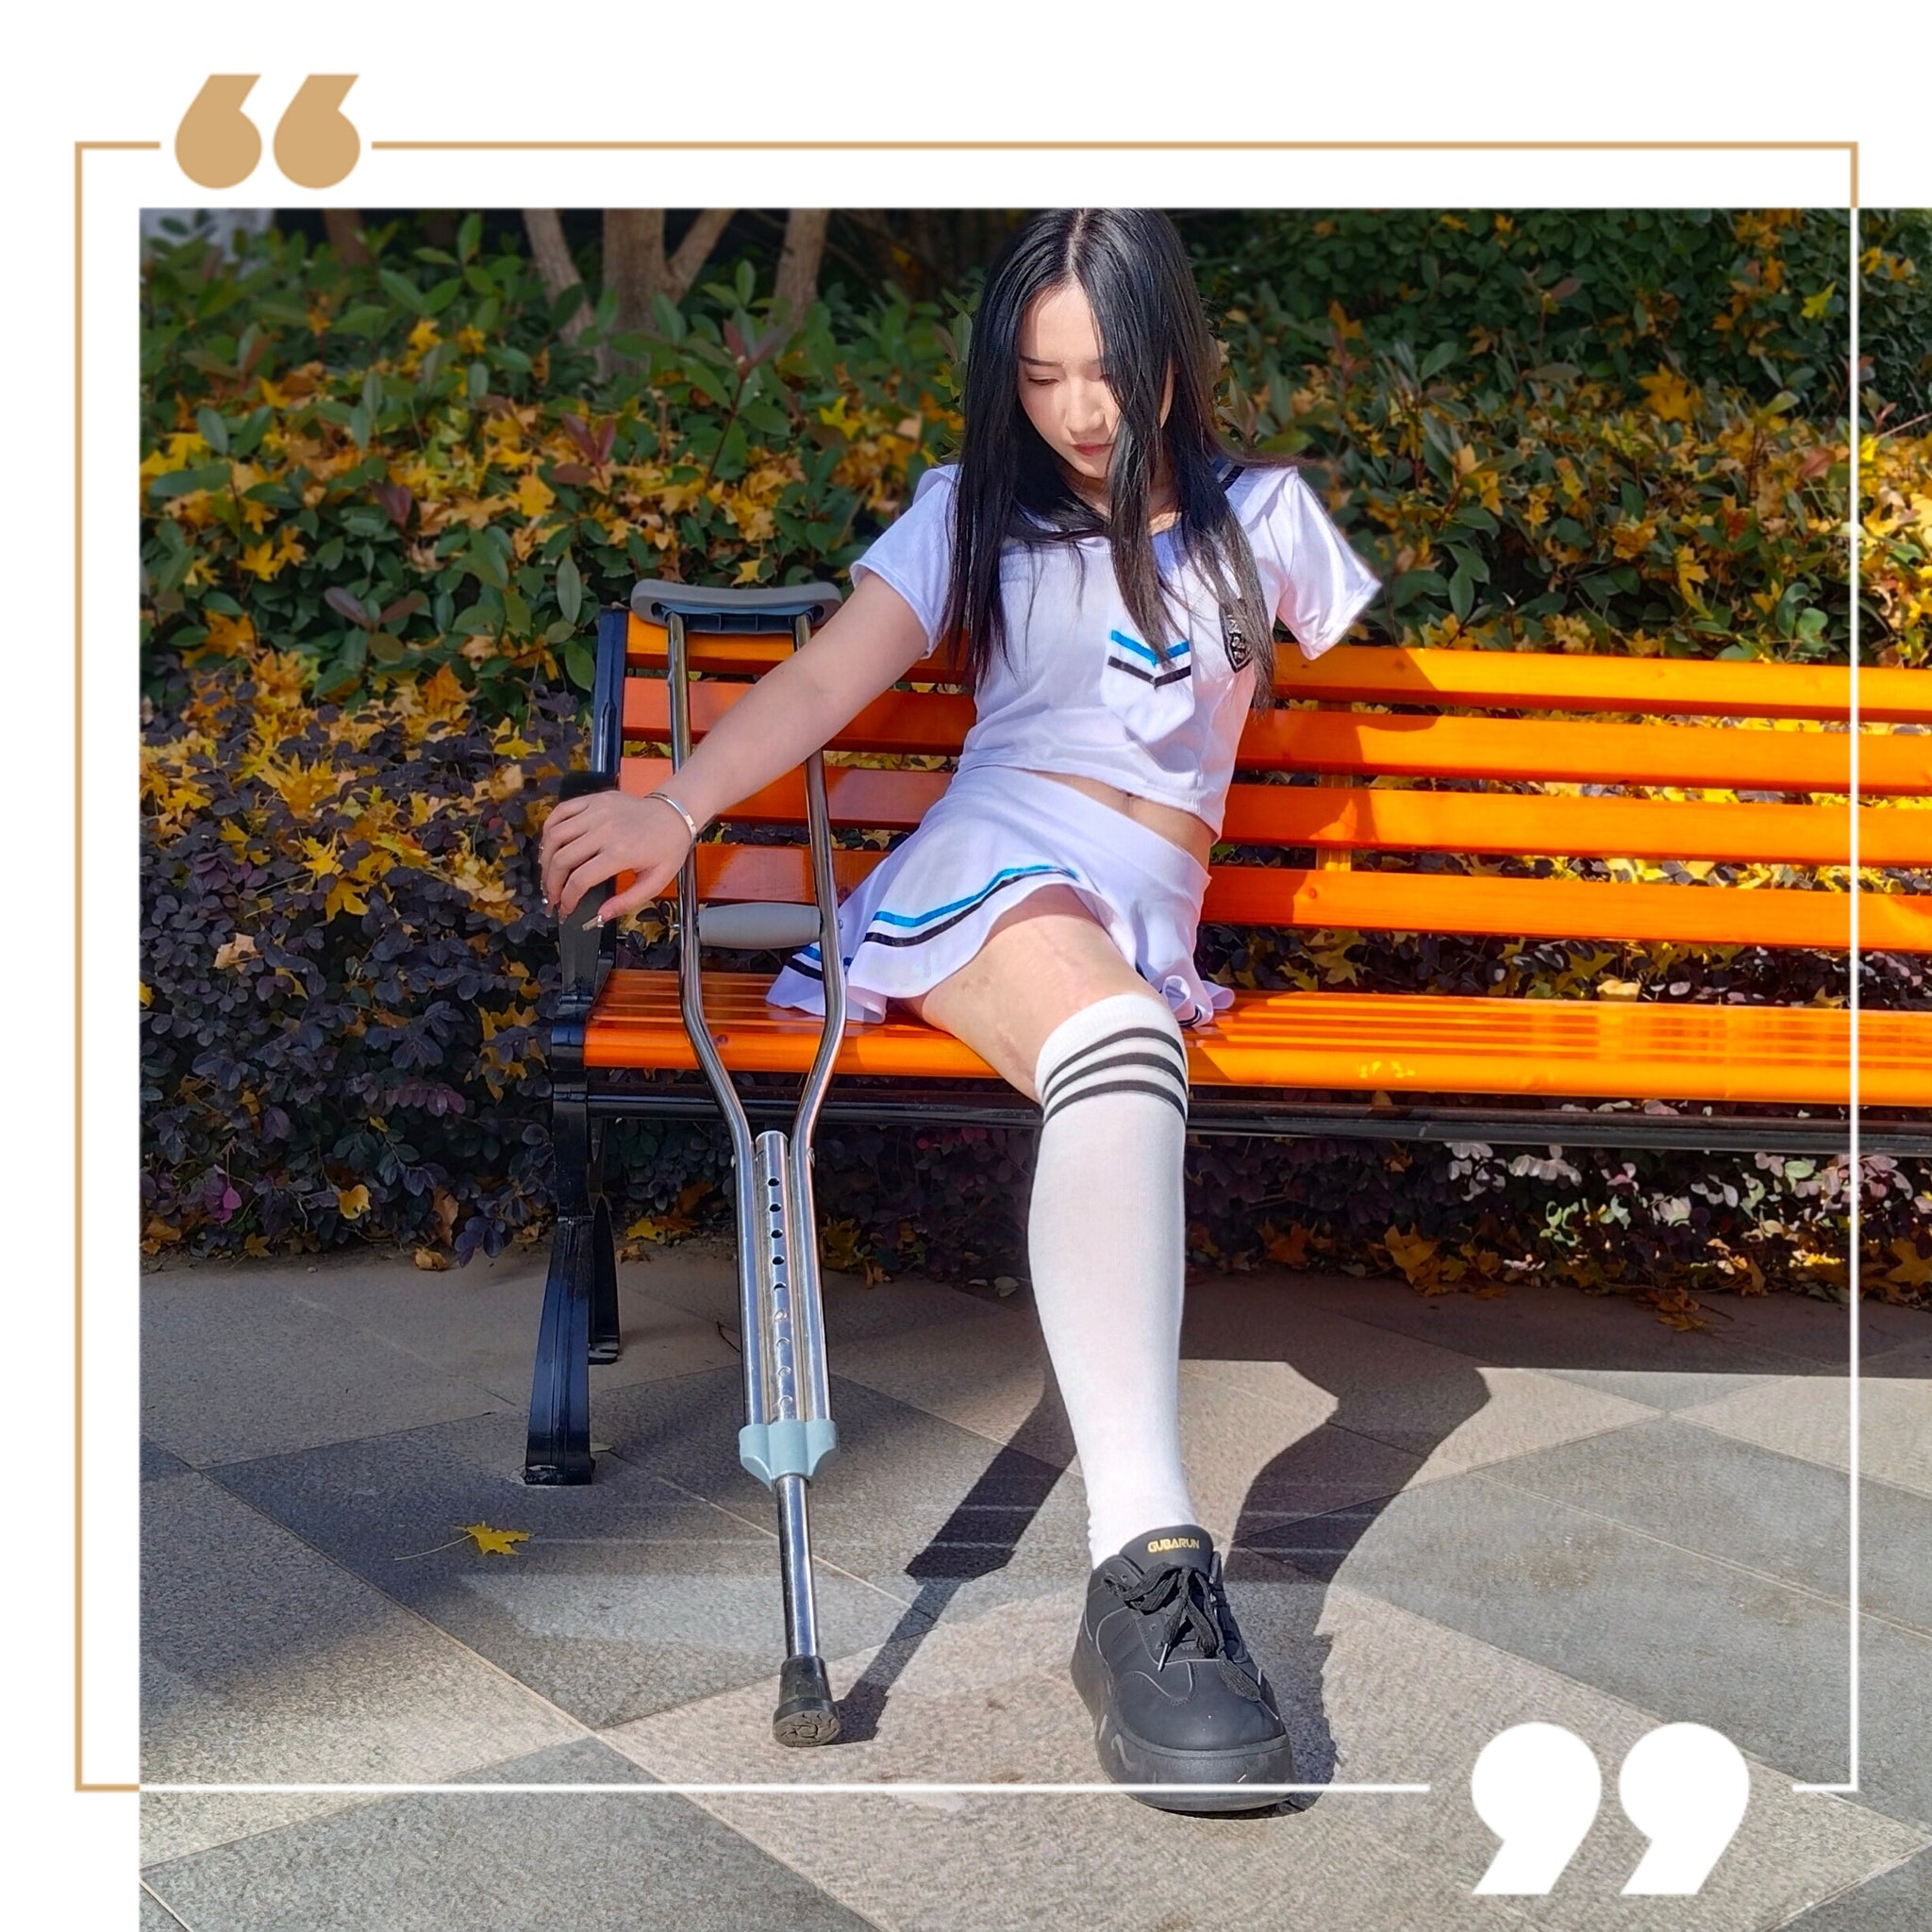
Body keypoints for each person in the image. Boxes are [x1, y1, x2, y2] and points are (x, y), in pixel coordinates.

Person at [541, 208, 1380, 1812]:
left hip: (1142, 906)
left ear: (1176, 356)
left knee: (1127, 1037)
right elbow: (817, 684)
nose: (1076, 411)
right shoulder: (968, 513)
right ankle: (1148, 1570)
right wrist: (678, 805)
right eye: (1040, 377)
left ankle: (1141, 1585)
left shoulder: (1267, 519)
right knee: (1121, 1048)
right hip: (1000, 864)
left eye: (1108, 372)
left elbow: (1262, 703)